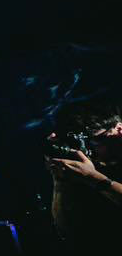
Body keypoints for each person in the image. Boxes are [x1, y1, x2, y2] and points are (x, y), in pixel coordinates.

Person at [47, 103, 122, 247]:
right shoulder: (88, 170)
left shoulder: (90, 174)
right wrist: (60, 180)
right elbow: (66, 230)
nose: (89, 149)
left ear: (119, 129)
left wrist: (93, 178)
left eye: (95, 140)